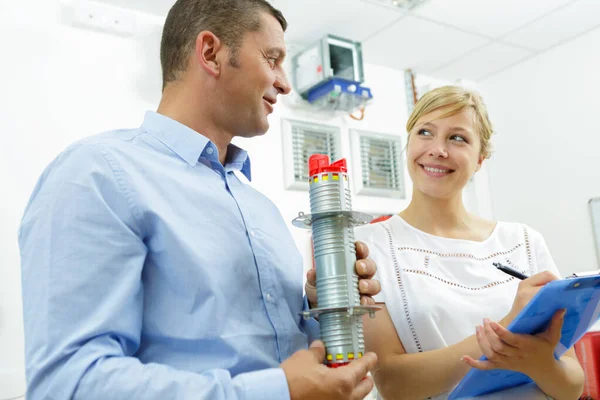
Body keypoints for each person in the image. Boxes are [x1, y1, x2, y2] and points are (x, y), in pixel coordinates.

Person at [18, 0, 381, 399]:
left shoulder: (262, 209)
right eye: (272, 59)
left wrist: (323, 308)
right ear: (210, 53)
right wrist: (278, 392)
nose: (284, 83)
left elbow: (286, 358)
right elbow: (70, 384)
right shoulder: (96, 175)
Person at [354, 85, 584, 400]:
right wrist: (506, 330)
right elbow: (394, 383)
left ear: (480, 159)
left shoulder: (524, 241)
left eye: (457, 138)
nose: (438, 149)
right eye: (425, 132)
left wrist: (540, 362)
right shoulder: (368, 246)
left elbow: (572, 385)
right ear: (407, 144)